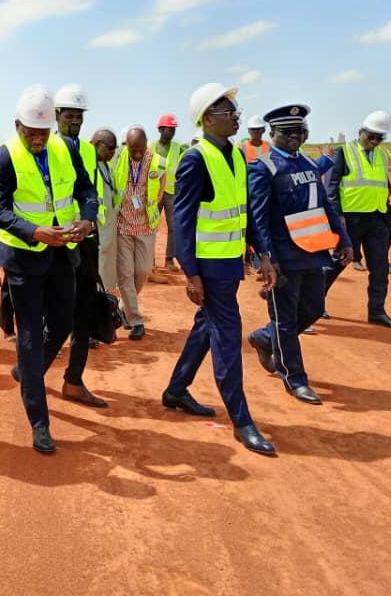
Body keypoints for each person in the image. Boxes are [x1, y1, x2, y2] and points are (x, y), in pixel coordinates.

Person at [163, 82, 277, 456]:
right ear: (208, 119)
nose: (236, 117)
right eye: (229, 112)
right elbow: (182, 222)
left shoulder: (237, 157)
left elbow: (247, 212)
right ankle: (241, 420)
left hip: (230, 263)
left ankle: (176, 390)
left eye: (235, 111)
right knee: (227, 337)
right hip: (209, 269)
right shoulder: (195, 160)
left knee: (207, 326)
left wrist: (263, 254)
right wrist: (191, 274)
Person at [0, 85, 98, 453]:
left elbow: (86, 190)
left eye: (43, 132)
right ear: (17, 125)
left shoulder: (65, 149)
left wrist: (87, 219)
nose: (37, 139)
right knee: (31, 336)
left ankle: (27, 370)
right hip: (24, 258)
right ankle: (40, 422)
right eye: (30, 132)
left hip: (63, 253)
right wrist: (35, 231)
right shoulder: (4, 158)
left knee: (63, 324)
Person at [246, 106, 353, 405]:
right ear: (272, 134)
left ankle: (264, 338)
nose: (295, 136)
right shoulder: (263, 167)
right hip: (283, 256)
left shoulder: (306, 162)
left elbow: (324, 205)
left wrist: (343, 239)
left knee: (314, 308)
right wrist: (266, 256)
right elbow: (258, 217)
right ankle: (294, 379)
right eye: (287, 132)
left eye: (300, 131)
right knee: (285, 320)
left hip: (314, 251)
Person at [33, 85, 107, 405]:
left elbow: (91, 192)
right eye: (69, 115)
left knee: (84, 312)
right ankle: (32, 370)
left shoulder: (88, 151)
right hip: (55, 242)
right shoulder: (45, 147)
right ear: (57, 115)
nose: (75, 120)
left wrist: (90, 223)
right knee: (55, 313)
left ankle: (73, 380)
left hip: (85, 240)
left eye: (79, 115)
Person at [324, 111, 391, 328]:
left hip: (377, 218)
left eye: (380, 137)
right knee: (337, 262)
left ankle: (377, 311)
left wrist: (386, 211)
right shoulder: (345, 152)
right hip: (350, 220)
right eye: (372, 136)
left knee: (380, 268)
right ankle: (315, 303)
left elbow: (384, 185)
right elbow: (331, 188)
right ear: (361, 131)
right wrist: (338, 217)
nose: (375, 141)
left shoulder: (382, 155)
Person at [113, 126, 167, 341]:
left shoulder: (158, 162)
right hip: (122, 225)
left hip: (146, 225)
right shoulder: (118, 159)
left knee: (142, 271)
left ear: (146, 145)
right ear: (127, 145)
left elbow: (160, 189)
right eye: (132, 149)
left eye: (140, 149)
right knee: (125, 274)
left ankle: (123, 306)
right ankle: (136, 320)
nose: (136, 153)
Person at [89, 128, 120, 294]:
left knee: (107, 260)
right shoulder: (88, 165)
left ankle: (104, 293)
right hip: (96, 225)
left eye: (115, 149)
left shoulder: (106, 166)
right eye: (110, 148)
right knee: (97, 261)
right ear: (96, 144)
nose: (113, 152)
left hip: (108, 224)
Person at [153, 114, 183, 271]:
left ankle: (169, 259)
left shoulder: (179, 148)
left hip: (172, 193)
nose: (171, 132)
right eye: (168, 129)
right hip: (154, 193)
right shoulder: (151, 147)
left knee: (173, 227)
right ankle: (149, 260)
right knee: (151, 226)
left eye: (173, 129)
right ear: (160, 129)